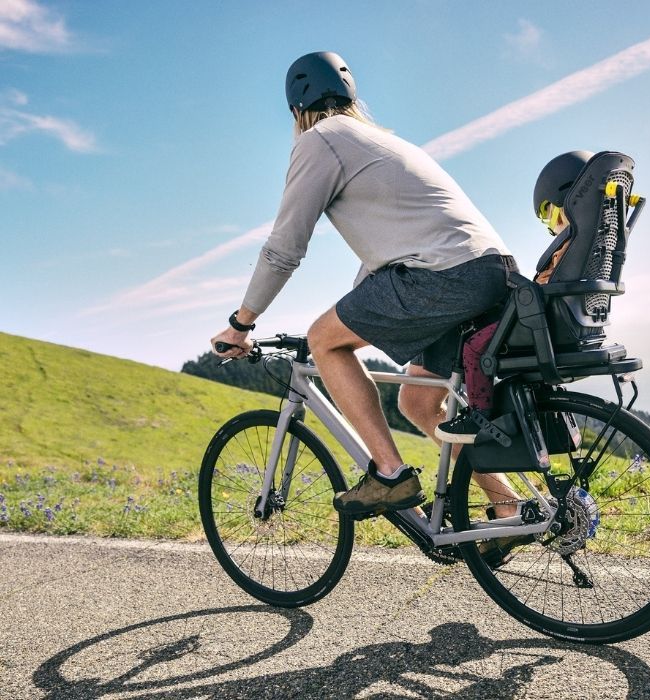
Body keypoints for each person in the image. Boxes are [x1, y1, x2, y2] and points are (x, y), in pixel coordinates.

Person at [211, 51, 519, 518]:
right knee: (418, 402)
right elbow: (384, 257)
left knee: (323, 341)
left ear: (296, 110)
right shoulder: (380, 141)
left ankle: (390, 474)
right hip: (489, 272)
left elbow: (284, 247)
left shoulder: (320, 140)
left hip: (443, 276)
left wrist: (241, 322)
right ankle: (507, 507)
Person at [434, 151, 594, 444]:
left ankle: (479, 415)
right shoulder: (593, 241)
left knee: (475, 348)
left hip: (544, 321)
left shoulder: (572, 240)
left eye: (548, 213)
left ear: (566, 204)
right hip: (572, 322)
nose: (549, 225)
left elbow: (546, 284)